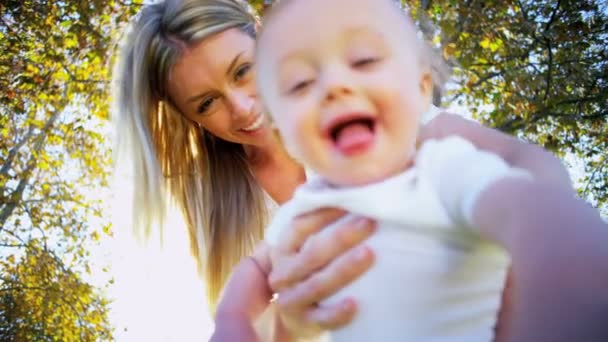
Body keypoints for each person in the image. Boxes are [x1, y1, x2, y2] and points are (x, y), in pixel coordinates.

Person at [111, 0, 605, 341]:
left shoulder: (422, 149)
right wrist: (265, 326)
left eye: (243, 70)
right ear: (190, 119)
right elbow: (251, 293)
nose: (241, 108)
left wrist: (540, 285)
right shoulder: (256, 212)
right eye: (207, 102)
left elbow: (540, 200)